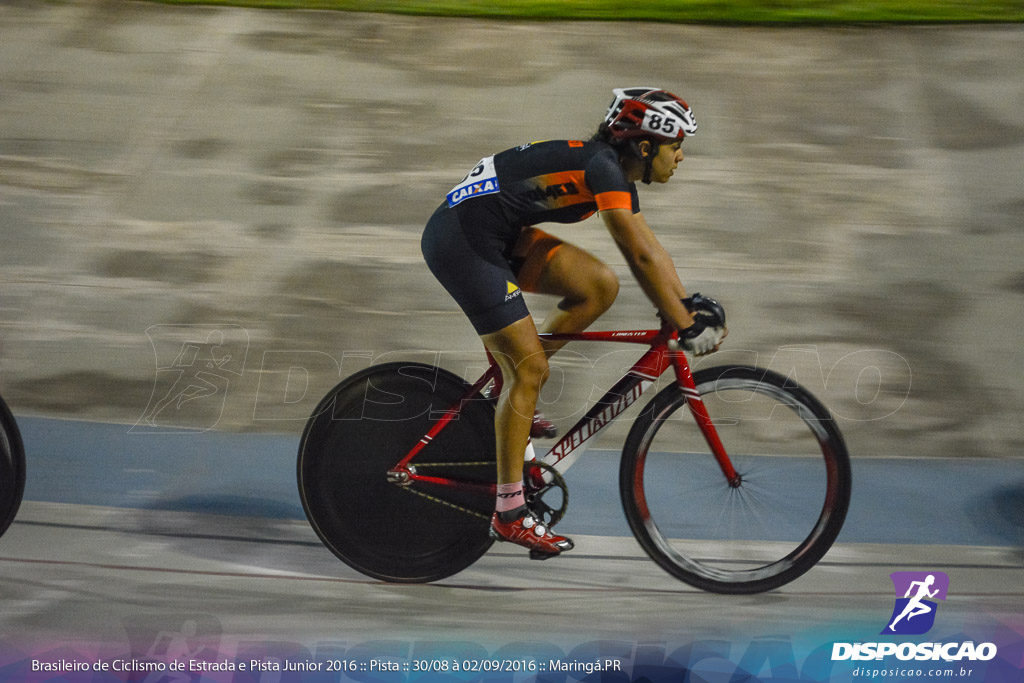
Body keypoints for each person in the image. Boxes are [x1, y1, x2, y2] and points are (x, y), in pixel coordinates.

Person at [421, 87, 727, 559]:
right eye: (677, 145)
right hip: (463, 241)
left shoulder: (609, 168)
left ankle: (504, 399)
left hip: (493, 231)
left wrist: (683, 305)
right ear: (645, 147)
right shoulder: (603, 169)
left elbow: (650, 249)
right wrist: (684, 322)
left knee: (598, 286)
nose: (681, 156)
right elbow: (639, 253)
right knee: (530, 372)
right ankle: (509, 514)